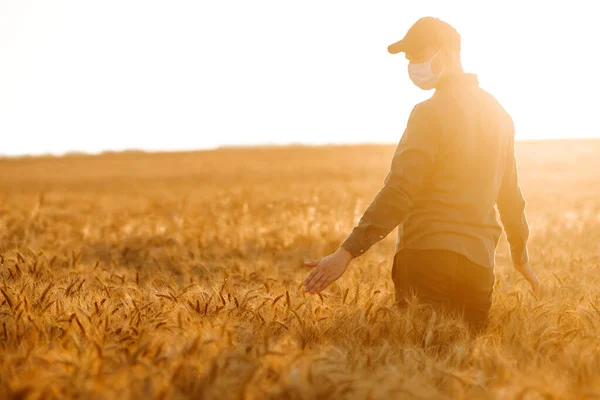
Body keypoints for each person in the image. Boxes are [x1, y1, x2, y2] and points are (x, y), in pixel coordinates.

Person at [302, 16, 540, 332]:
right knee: (465, 367)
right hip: (480, 265)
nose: (413, 64)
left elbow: (401, 190)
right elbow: (511, 195)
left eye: (418, 54)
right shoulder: (499, 114)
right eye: (409, 58)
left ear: (447, 52)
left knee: (418, 362)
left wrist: (347, 252)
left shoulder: (429, 112)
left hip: (427, 258)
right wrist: (520, 255)